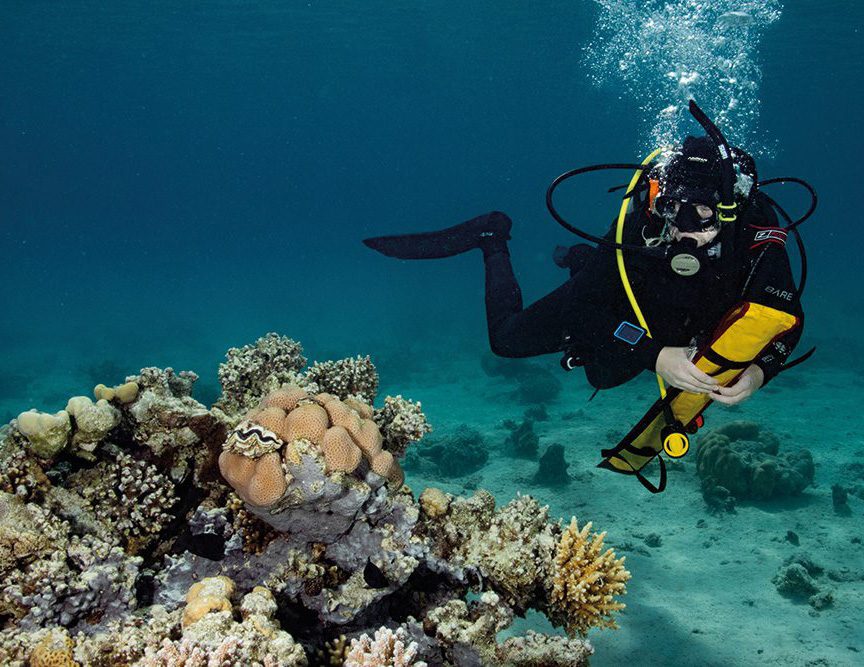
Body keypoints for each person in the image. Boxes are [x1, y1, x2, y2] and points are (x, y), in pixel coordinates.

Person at [364, 103, 812, 491]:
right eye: (674, 209)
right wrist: (654, 355)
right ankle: (491, 237)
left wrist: (757, 373)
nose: (684, 230)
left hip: (688, 320)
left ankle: (583, 264)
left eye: (703, 215)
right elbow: (584, 308)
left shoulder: (755, 237)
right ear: (660, 201)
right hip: (624, 301)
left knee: (606, 373)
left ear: (729, 212)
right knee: (511, 342)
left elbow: (786, 318)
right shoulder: (641, 227)